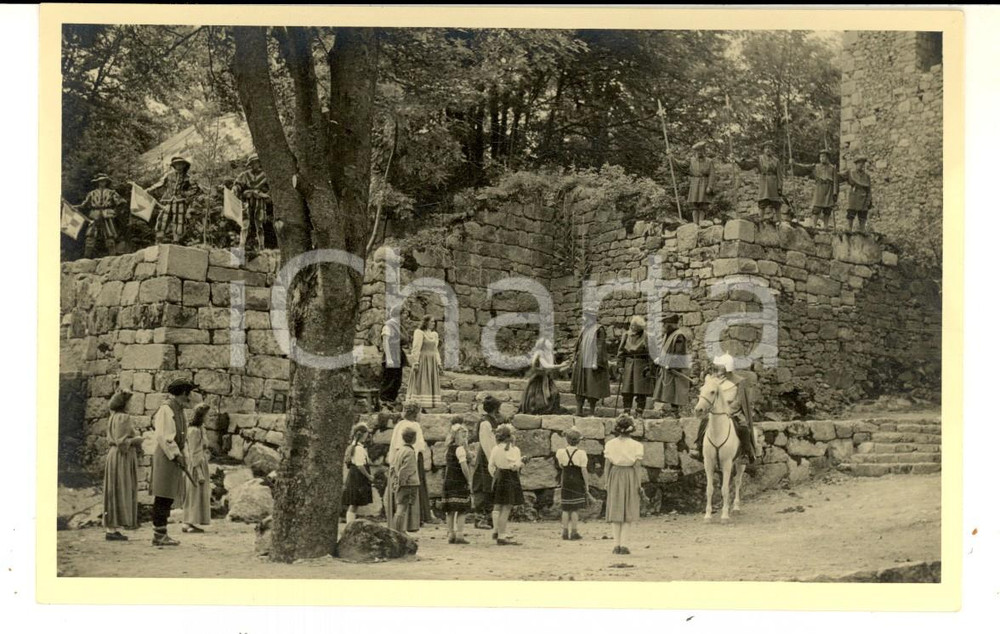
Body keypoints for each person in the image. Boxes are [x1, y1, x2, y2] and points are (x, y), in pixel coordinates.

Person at [149, 378, 199, 546]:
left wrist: (183, 455)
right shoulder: (166, 409)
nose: (190, 398)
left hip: (174, 457)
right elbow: (165, 436)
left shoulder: (180, 410)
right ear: (183, 393)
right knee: (163, 495)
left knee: (168, 496)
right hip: (166, 456)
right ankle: (159, 534)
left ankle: (161, 534)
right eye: (189, 393)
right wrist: (176, 455)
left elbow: (181, 438)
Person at [691, 353, 759, 463]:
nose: (717, 369)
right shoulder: (715, 380)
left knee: (743, 427)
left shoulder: (739, 381)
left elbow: (739, 400)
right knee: (704, 422)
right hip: (717, 411)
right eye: (717, 366)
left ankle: (746, 453)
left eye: (720, 367)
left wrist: (728, 410)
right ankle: (698, 448)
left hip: (733, 412)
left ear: (727, 368)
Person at [385, 400, 431, 532]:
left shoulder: (399, 424)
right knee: (407, 493)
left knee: (399, 496)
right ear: (416, 413)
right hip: (411, 460)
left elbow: (395, 445)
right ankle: (406, 525)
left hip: (398, 459)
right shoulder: (415, 426)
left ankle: (398, 526)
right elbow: (419, 446)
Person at [103, 391, 143, 541]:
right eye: (130, 401)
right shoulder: (123, 417)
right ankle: (113, 528)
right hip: (121, 457)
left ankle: (111, 527)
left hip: (114, 455)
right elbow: (122, 442)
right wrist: (137, 439)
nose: (131, 404)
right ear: (124, 403)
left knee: (114, 489)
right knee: (120, 488)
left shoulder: (113, 416)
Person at [603, 414, 644, 555]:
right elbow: (637, 467)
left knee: (616, 509)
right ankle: (624, 545)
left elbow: (607, 465)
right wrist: (639, 484)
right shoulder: (637, 446)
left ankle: (616, 545)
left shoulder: (610, 444)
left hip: (615, 475)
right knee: (628, 510)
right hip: (630, 475)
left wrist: (606, 481)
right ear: (631, 429)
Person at [555, 428, 595, 541]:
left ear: (566, 440)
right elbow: (583, 470)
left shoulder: (560, 452)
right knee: (574, 508)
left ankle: (564, 532)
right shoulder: (581, 453)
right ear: (578, 441)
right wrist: (586, 484)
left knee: (565, 507)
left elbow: (561, 466)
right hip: (577, 481)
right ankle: (574, 532)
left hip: (566, 480)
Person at [570, 307, 611, 416]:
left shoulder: (599, 329)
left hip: (591, 361)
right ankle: (579, 410)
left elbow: (600, 346)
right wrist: (574, 359)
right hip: (581, 361)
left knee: (592, 387)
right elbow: (578, 345)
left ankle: (592, 411)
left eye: (584, 316)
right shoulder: (584, 329)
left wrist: (596, 362)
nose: (582, 318)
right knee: (579, 386)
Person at [488, 424, 524, 546]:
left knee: (497, 505)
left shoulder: (495, 448)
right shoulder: (514, 450)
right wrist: (521, 462)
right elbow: (514, 467)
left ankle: (496, 530)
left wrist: (495, 476)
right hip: (509, 477)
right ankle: (502, 536)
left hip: (499, 475)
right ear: (510, 436)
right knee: (506, 507)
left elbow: (491, 465)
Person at [149, 156, 198, 244]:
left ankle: (176, 241)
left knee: (179, 220)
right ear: (174, 165)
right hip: (168, 200)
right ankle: (159, 240)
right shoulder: (169, 175)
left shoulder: (188, 177)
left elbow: (195, 189)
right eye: (176, 164)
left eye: (180, 164)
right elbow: (160, 183)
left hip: (180, 201)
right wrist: (150, 189)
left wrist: (184, 193)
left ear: (184, 165)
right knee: (162, 218)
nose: (178, 166)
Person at [470, 395, 502, 530]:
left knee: (491, 487)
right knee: (483, 486)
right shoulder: (485, 423)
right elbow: (486, 443)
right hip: (486, 457)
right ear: (495, 408)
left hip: (492, 456)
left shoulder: (493, 421)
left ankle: (489, 518)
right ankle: (480, 518)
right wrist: (493, 461)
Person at [77, 173, 127, 259]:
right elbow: (84, 204)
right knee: (90, 235)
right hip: (95, 214)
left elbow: (121, 202)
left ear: (106, 182)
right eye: (100, 181)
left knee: (109, 235)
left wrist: (115, 212)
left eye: (104, 181)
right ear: (98, 182)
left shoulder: (111, 193)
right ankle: (86, 257)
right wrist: (74, 207)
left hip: (107, 214)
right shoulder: (92, 193)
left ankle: (112, 256)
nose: (102, 183)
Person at [668, 141, 717, 225]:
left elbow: (712, 175)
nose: (699, 153)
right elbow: (680, 165)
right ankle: (695, 224)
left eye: (701, 151)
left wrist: (710, 186)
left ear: (704, 151)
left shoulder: (709, 161)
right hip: (694, 183)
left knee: (703, 205)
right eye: (697, 151)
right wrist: (671, 157)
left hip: (704, 183)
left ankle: (701, 223)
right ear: (695, 152)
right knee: (694, 205)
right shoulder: (691, 160)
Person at [790, 149, 839, 229]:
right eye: (821, 157)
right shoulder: (816, 166)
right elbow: (805, 167)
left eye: (824, 156)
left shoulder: (832, 168)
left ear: (827, 158)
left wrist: (835, 193)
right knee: (816, 208)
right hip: (819, 189)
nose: (822, 158)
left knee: (827, 210)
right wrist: (795, 164)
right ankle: (814, 226)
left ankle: (825, 227)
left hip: (829, 190)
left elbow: (835, 182)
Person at [441, 420, 473, 545]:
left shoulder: (448, 449)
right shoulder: (460, 449)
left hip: (449, 479)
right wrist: (468, 479)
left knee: (450, 509)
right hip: (459, 480)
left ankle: (450, 533)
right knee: (461, 508)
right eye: (463, 436)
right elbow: (463, 466)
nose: (465, 438)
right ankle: (459, 534)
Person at [232, 153, 273, 252]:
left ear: (260, 163)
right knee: (245, 224)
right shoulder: (245, 175)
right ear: (250, 164)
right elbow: (238, 185)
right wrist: (235, 189)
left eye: (257, 163)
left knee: (259, 225)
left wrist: (263, 195)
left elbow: (271, 190)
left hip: (259, 202)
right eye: (253, 163)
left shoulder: (266, 175)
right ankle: (241, 245)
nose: (255, 165)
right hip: (247, 201)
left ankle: (262, 247)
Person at [518, 337, 569, 415]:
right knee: (537, 397)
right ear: (544, 344)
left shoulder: (551, 354)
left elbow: (554, 369)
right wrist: (560, 365)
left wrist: (567, 366)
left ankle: (549, 410)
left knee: (555, 393)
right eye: (549, 342)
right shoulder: (539, 353)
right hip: (538, 378)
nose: (551, 344)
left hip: (547, 378)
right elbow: (546, 366)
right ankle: (539, 410)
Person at [738, 141, 786, 223]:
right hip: (764, 182)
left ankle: (779, 221)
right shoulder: (759, 159)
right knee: (762, 203)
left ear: (772, 150)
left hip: (773, 184)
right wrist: (739, 161)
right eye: (766, 148)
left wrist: (779, 187)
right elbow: (749, 164)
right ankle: (760, 220)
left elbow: (780, 176)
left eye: (770, 148)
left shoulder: (776, 161)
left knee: (776, 203)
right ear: (764, 149)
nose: (768, 150)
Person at [616, 315, 655, 418]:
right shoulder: (626, 335)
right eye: (632, 325)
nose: (632, 328)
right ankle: (626, 411)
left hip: (641, 365)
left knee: (641, 390)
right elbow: (620, 352)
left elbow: (651, 354)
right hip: (629, 364)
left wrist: (649, 368)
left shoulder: (646, 336)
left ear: (639, 327)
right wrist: (620, 365)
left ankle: (639, 412)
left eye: (635, 326)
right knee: (627, 390)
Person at [181, 404, 212, 533]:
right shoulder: (194, 431)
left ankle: (192, 521)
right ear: (202, 415)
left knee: (198, 493)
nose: (209, 417)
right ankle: (187, 523)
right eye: (207, 415)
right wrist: (199, 471)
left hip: (201, 462)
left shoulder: (200, 429)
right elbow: (194, 452)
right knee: (193, 493)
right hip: (196, 465)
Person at [652, 325, 693, 416]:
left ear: (670, 324)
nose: (663, 327)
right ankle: (673, 411)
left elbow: (679, 353)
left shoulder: (679, 336)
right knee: (670, 390)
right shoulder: (668, 335)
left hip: (675, 367)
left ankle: (675, 412)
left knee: (675, 389)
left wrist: (672, 364)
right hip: (667, 367)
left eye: (665, 324)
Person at [406, 316, 443, 410]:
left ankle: (426, 406)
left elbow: (435, 350)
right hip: (423, 360)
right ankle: (418, 405)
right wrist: (416, 362)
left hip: (432, 361)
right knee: (420, 381)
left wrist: (439, 363)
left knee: (429, 381)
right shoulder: (419, 332)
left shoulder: (434, 334)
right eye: (431, 322)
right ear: (426, 322)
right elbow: (416, 348)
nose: (433, 324)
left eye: (434, 322)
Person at [390, 427, 420, 535]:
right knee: (402, 508)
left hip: (401, 482)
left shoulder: (400, 451)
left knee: (400, 508)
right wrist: (401, 482)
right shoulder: (410, 452)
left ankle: (399, 530)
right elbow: (408, 469)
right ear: (414, 438)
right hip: (408, 483)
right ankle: (398, 532)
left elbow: (393, 467)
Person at [342, 422, 374, 525]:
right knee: (354, 503)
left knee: (355, 503)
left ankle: (349, 523)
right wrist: (369, 476)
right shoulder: (358, 449)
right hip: (357, 477)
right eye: (366, 434)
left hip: (355, 475)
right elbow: (360, 465)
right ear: (363, 434)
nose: (367, 436)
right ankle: (349, 524)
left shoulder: (354, 446)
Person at [378, 315, 409, 409]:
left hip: (398, 354)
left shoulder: (398, 327)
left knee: (397, 380)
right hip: (391, 354)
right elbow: (385, 342)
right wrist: (389, 358)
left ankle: (391, 401)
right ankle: (384, 402)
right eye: (403, 314)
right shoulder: (388, 326)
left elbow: (404, 340)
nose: (405, 317)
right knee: (389, 380)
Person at [839, 156, 873, 233]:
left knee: (863, 214)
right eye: (859, 163)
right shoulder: (851, 173)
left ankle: (862, 230)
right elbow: (841, 177)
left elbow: (869, 189)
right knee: (851, 212)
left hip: (863, 196)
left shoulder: (866, 176)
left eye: (862, 164)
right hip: (854, 195)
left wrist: (869, 199)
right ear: (856, 164)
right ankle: (849, 229)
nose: (861, 165)